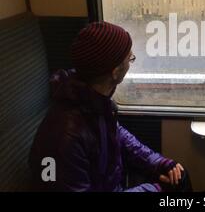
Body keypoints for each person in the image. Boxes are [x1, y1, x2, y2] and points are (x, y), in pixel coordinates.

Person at [29, 21, 191, 192]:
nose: (131, 60)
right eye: (130, 58)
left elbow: (116, 134)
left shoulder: (91, 100)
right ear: (114, 72)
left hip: (110, 182)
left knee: (179, 177)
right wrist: (155, 190)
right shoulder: (64, 136)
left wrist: (157, 162)